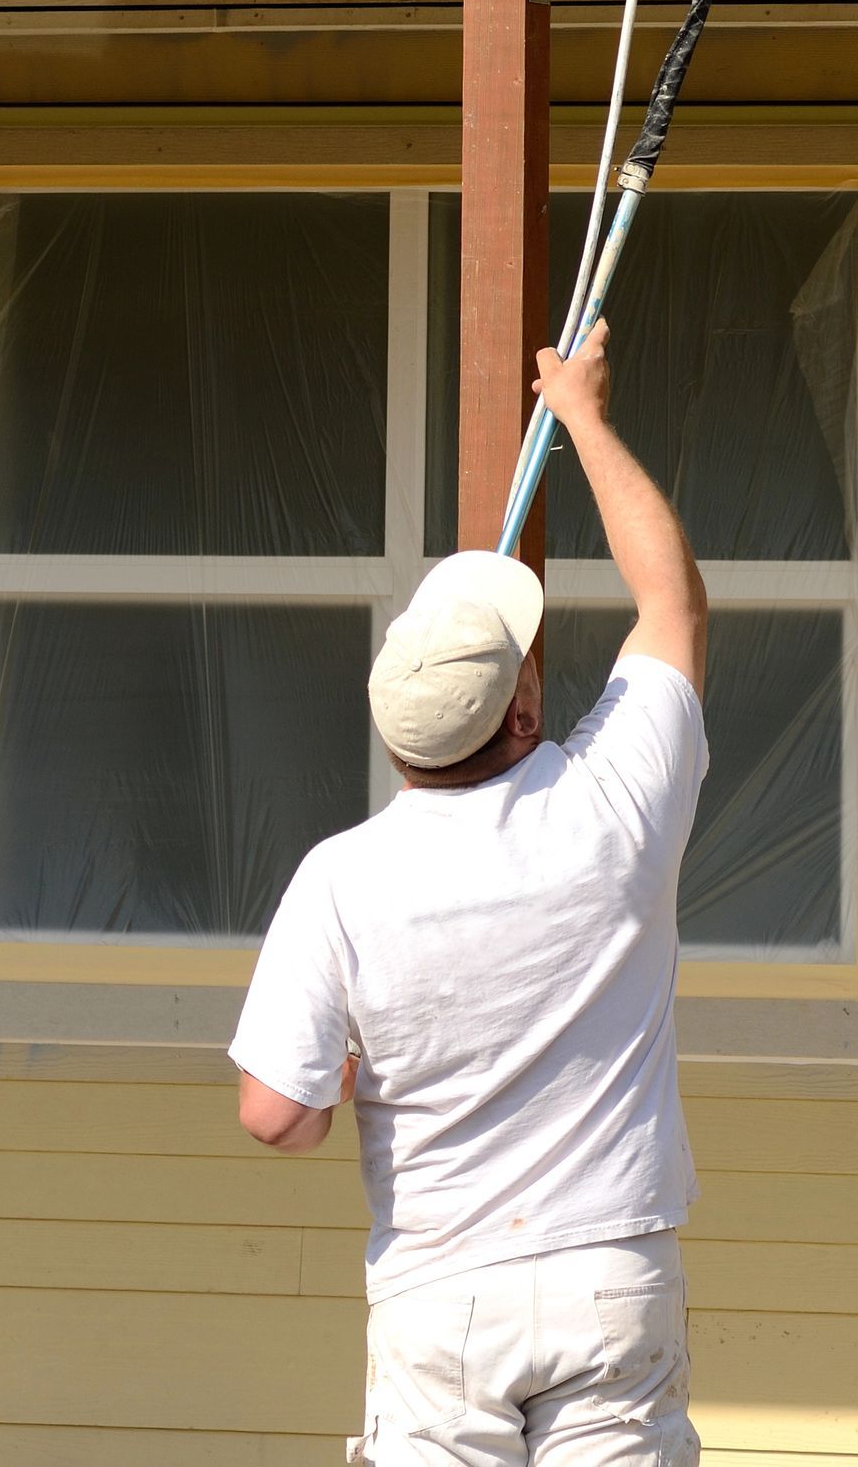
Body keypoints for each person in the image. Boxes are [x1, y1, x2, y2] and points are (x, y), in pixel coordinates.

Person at [230, 316, 709, 1466]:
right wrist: (586, 414)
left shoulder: (340, 879)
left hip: (441, 1295)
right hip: (612, 1267)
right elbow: (674, 604)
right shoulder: (614, 811)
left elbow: (276, 1115)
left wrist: (356, 1069)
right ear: (527, 716)